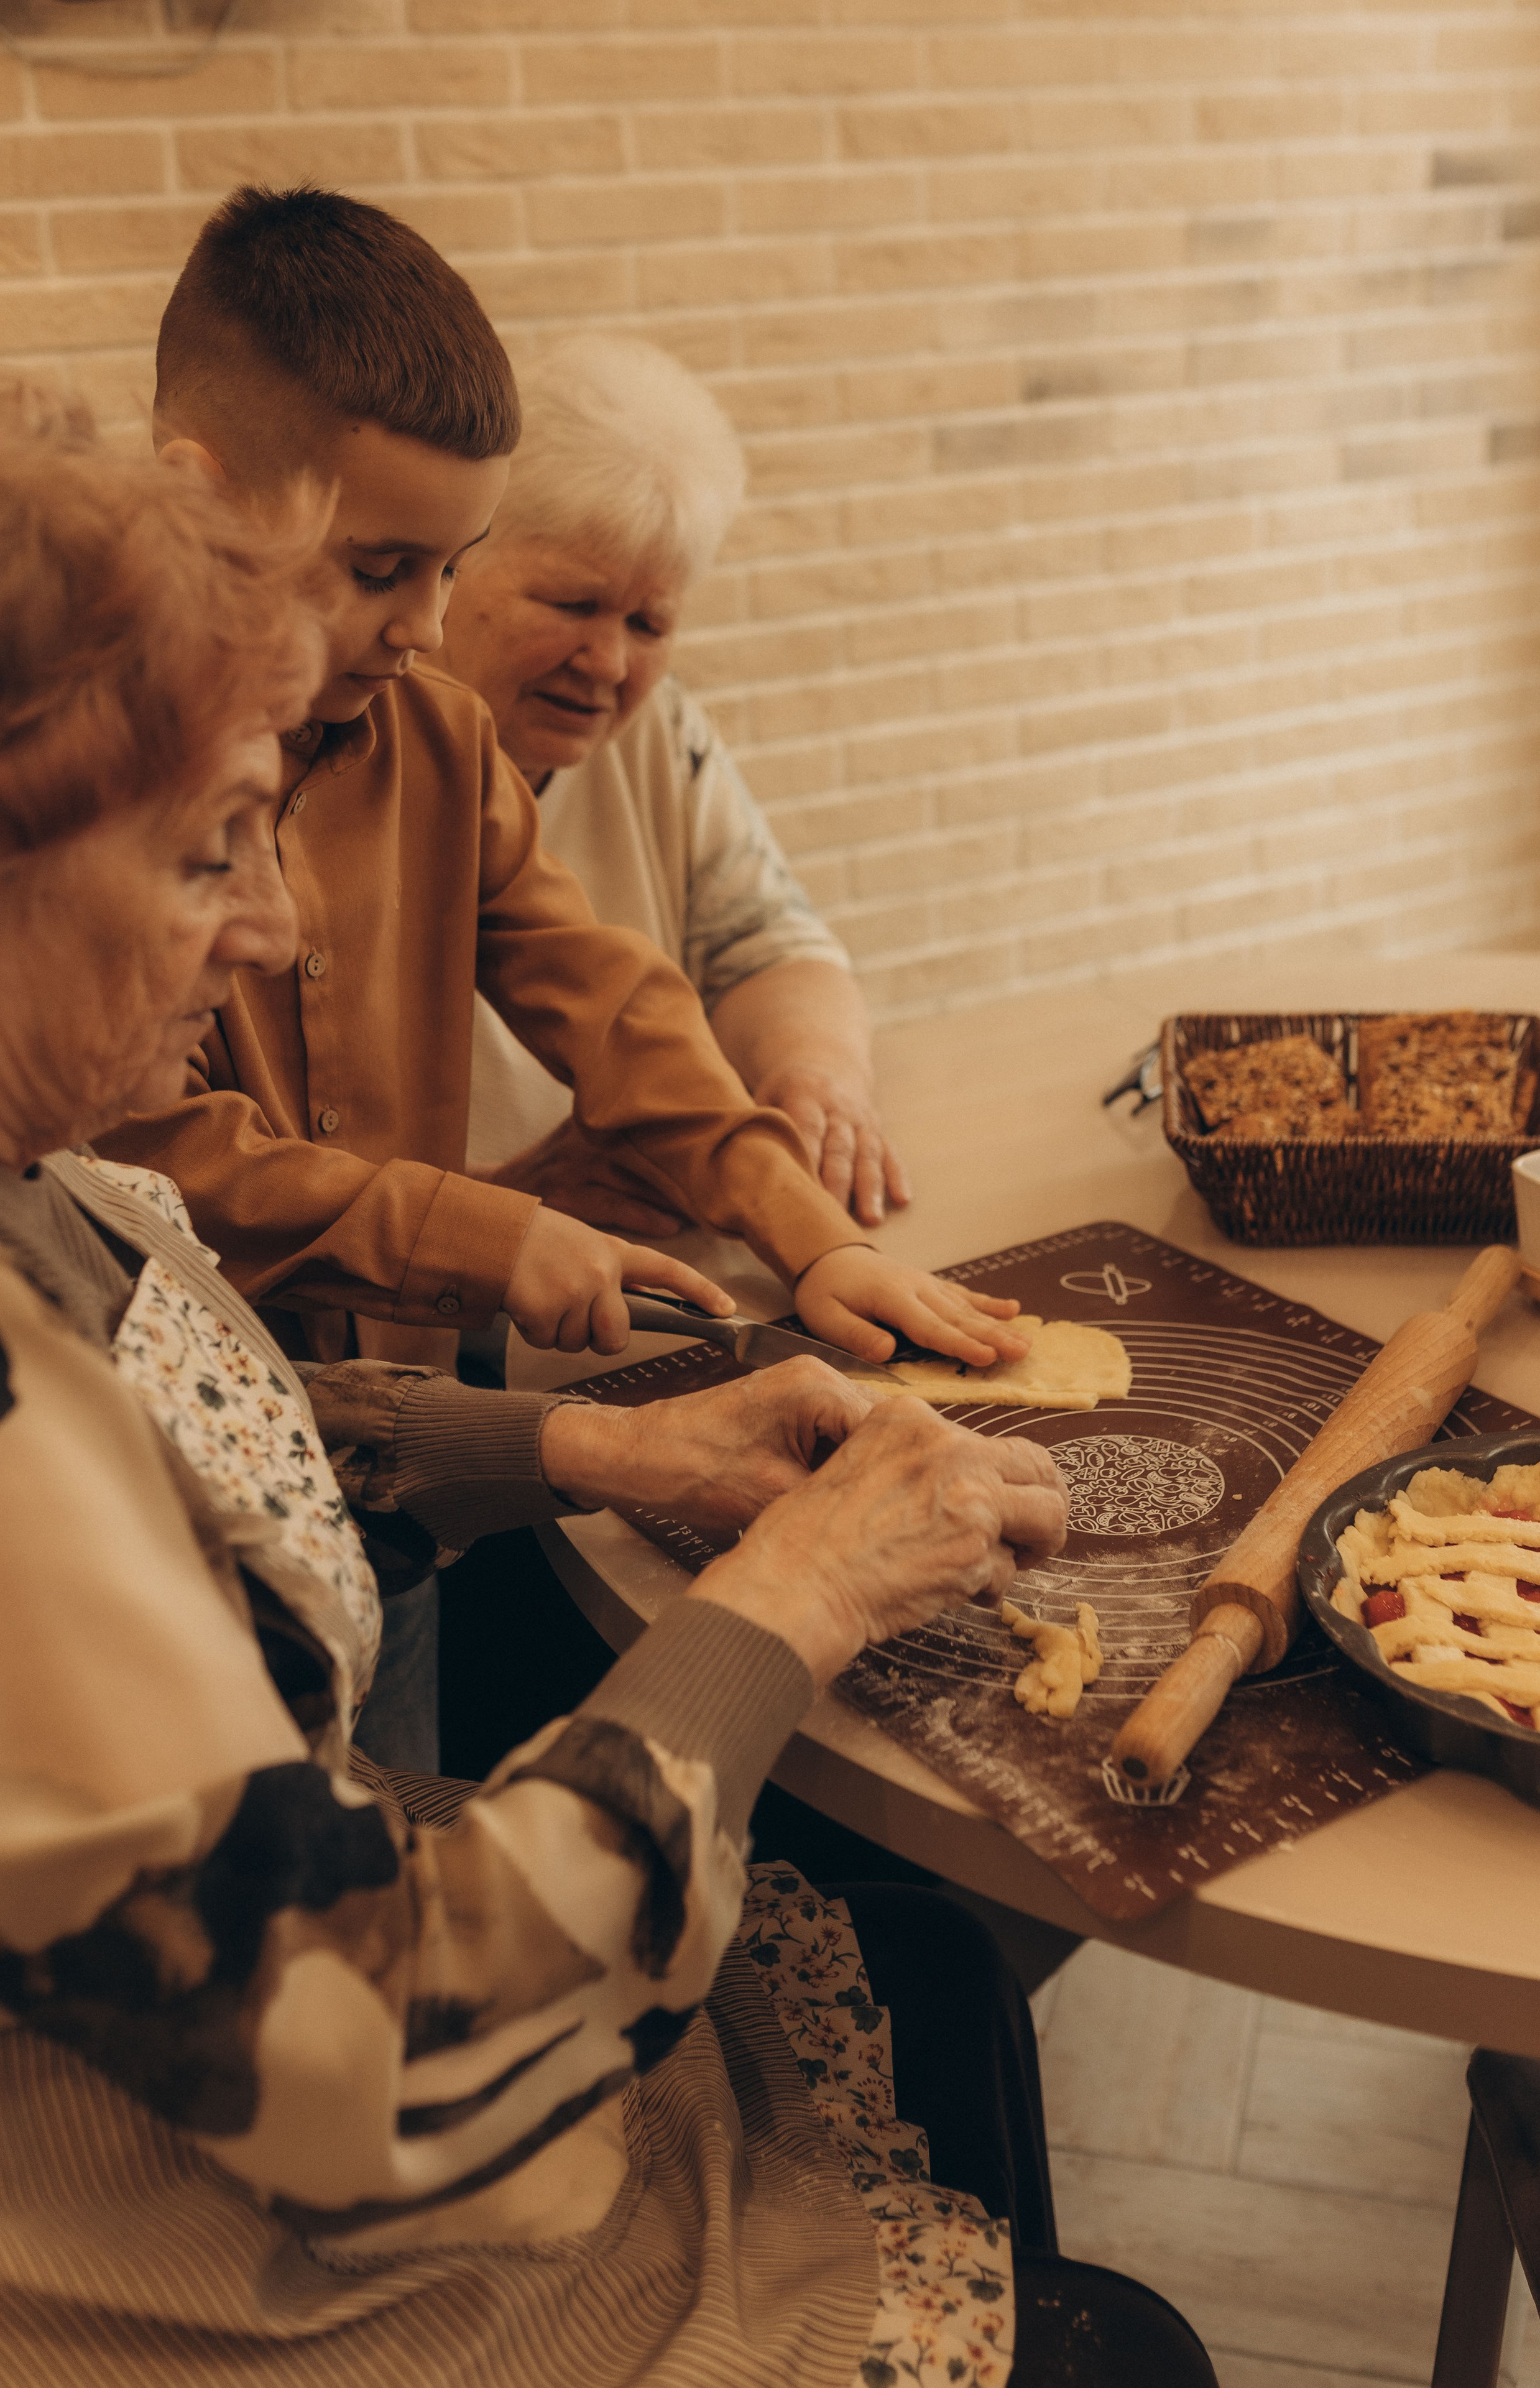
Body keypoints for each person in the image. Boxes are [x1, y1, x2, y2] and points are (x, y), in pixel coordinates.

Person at [0, 433, 1219, 2388]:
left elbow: (217, 1422)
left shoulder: (39, 1194)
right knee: (1117, 2355)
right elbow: (386, 2079)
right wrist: (797, 1597)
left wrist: (593, 1447)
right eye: (215, 843)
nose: (279, 931)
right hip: (209, 2277)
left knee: (924, 1971)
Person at [99, 185, 1024, 1392]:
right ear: (200, 494)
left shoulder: (437, 738)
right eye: (381, 570)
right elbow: (160, 1153)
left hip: (422, 1430)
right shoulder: (85, 779)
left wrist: (809, 1238)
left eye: (453, 568)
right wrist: (493, 1234)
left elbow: (612, 1005)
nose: (425, 626)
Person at [439, 333, 909, 1238]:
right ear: (455, 564)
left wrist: (818, 1078)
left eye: (650, 621)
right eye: (572, 605)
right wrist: (499, 1201)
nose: (609, 663)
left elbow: (763, 941)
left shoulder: (658, 731)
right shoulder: (348, 753)